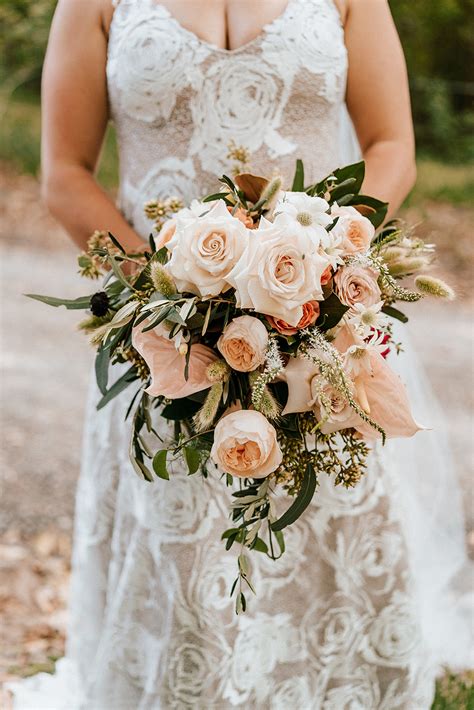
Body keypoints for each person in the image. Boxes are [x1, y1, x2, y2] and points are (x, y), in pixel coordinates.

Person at [10, 1, 472, 708]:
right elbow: (66, 172)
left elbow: (391, 145)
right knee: (182, 543)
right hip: (162, 336)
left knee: (326, 528)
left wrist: (324, 267)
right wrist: (174, 301)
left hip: (318, 325)